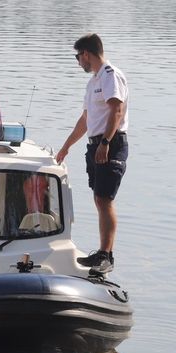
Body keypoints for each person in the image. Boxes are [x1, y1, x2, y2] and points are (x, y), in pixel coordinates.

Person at [56, 33, 128, 274]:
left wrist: (106, 143)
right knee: (99, 198)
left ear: (86, 53)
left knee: (105, 199)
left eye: (78, 57)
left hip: (111, 143)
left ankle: (107, 255)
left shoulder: (110, 75)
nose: (79, 63)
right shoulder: (93, 82)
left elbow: (116, 110)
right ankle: (101, 252)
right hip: (95, 144)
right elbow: (85, 120)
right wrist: (67, 146)